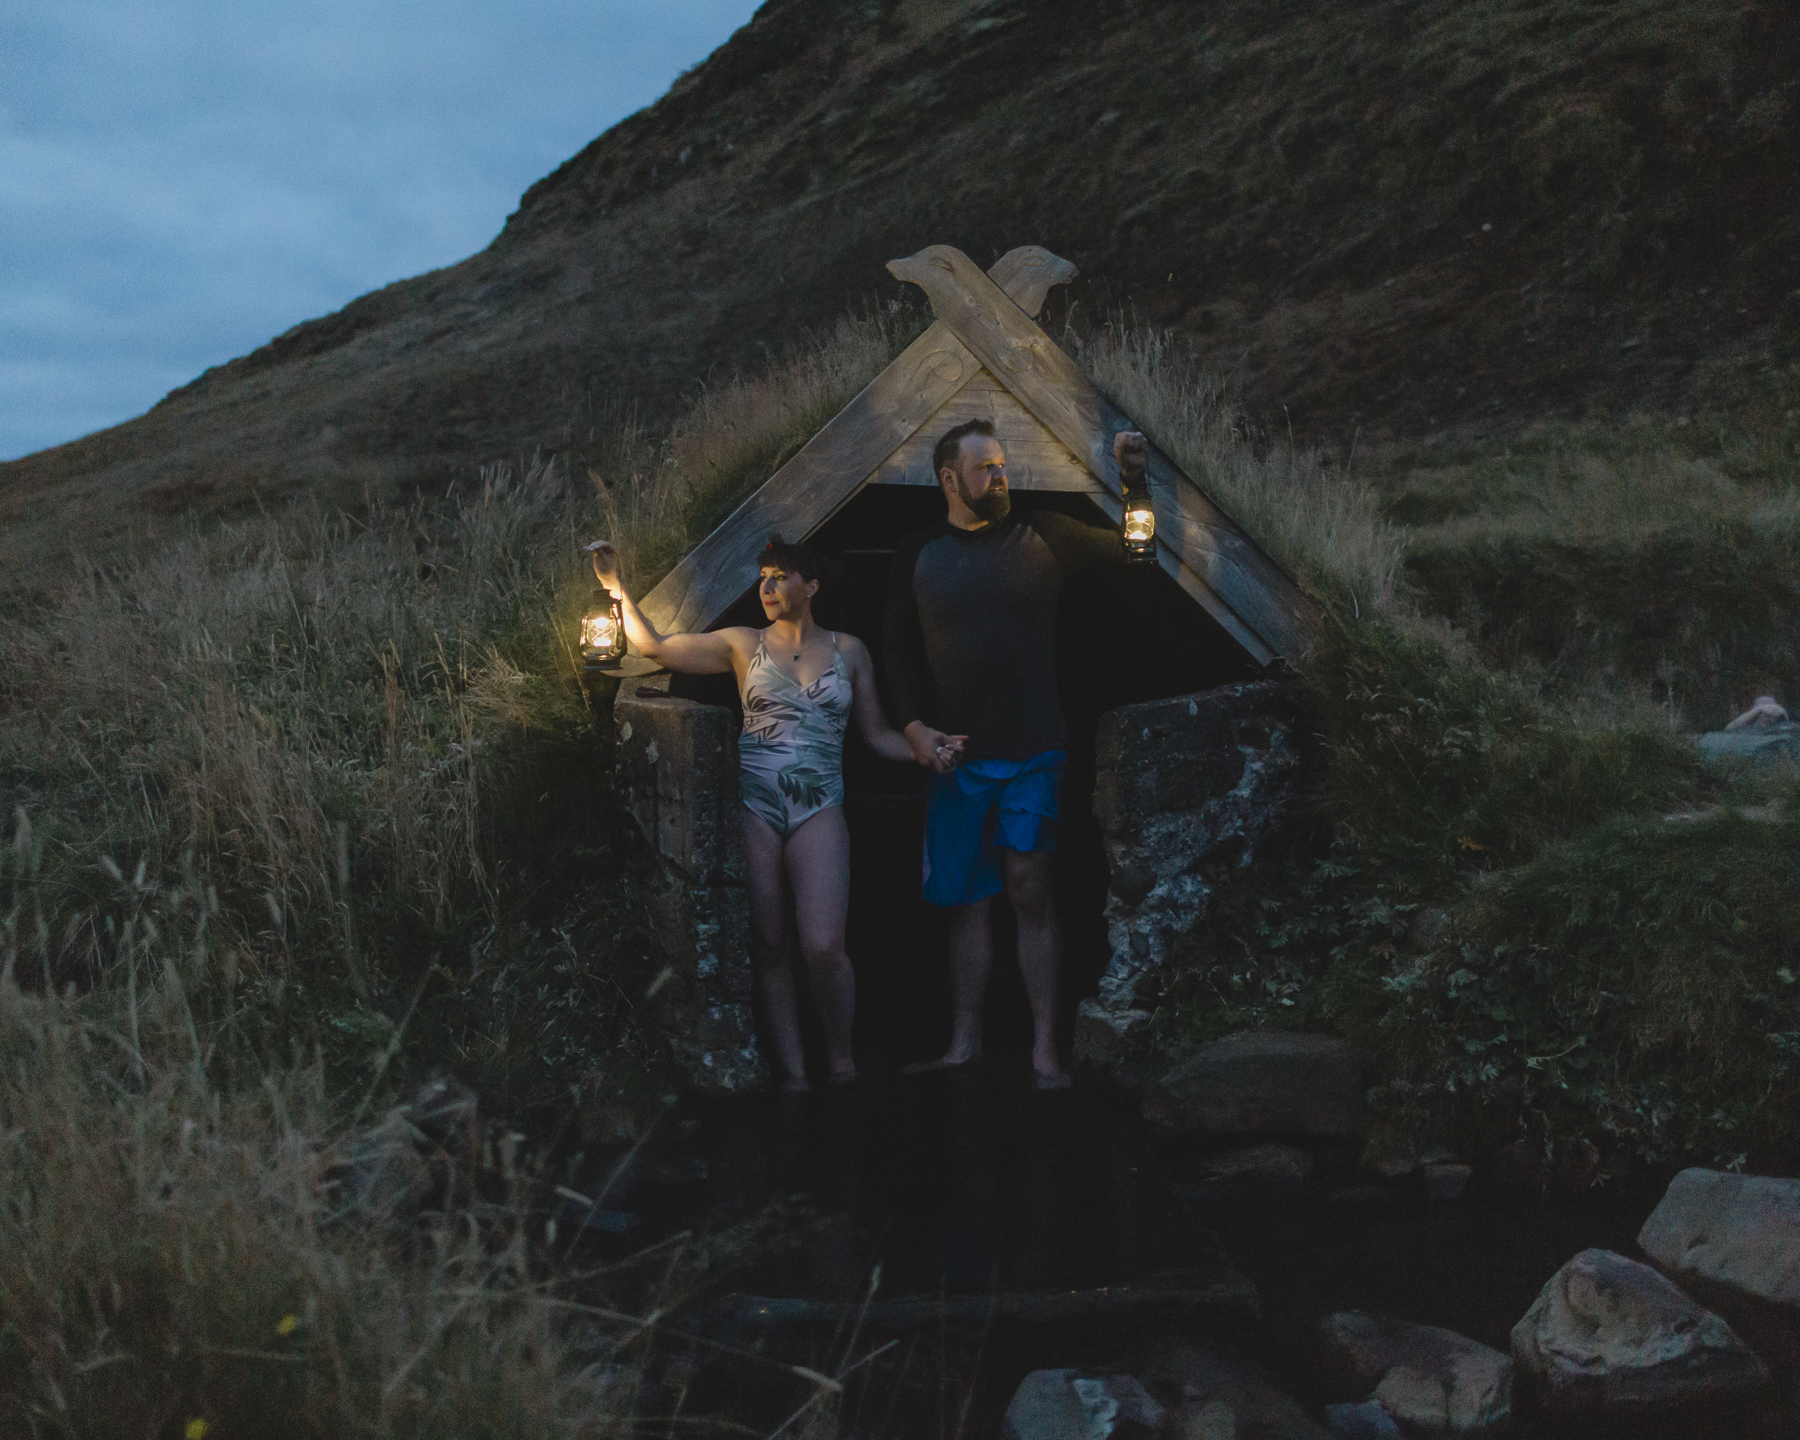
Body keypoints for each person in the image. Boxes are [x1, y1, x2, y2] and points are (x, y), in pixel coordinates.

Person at [585, 534, 964, 1090]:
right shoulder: (743, 644)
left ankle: (841, 1061)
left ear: (811, 586)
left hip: (820, 807)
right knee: (769, 941)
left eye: (780, 576)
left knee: (823, 945)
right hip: (757, 805)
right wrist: (616, 588)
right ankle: (794, 1076)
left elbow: (877, 734)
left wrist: (924, 748)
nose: (767, 586)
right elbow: (657, 648)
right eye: (763, 576)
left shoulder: (849, 651)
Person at [882, 419, 1143, 1089]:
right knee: (967, 901)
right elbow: (897, 651)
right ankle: (964, 1044)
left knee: (1029, 888)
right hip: (955, 758)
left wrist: (1132, 479)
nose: (999, 476)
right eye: (984, 467)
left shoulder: (1045, 536)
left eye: (1001, 465)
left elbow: (1132, 548)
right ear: (949, 479)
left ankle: (1044, 1049)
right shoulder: (917, 553)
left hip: (1032, 747)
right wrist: (912, 728)